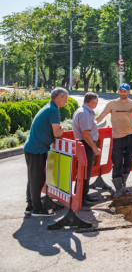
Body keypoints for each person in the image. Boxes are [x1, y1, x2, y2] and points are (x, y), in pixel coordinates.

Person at [23, 87, 68, 217]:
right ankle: (37, 209)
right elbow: (57, 134)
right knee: (37, 179)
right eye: (65, 98)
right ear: (58, 97)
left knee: (32, 178)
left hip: (32, 147)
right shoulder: (54, 111)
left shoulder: (48, 107)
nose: (66, 101)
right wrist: (62, 129)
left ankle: (30, 206)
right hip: (37, 149)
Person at [96, 83, 132, 196]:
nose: (122, 93)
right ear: (118, 91)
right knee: (117, 162)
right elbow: (101, 116)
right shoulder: (112, 104)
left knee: (128, 163)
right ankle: (118, 188)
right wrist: (91, 124)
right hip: (117, 137)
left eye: (125, 91)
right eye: (121, 91)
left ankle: (123, 184)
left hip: (131, 136)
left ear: (128, 92)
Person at [72, 92, 102, 206]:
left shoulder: (82, 111)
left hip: (84, 144)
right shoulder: (85, 113)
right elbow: (85, 133)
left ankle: (83, 194)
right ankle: (81, 197)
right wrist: (94, 148)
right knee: (84, 172)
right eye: (96, 102)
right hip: (86, 145)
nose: (97, 104)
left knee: (85, 171)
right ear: (93, 102)